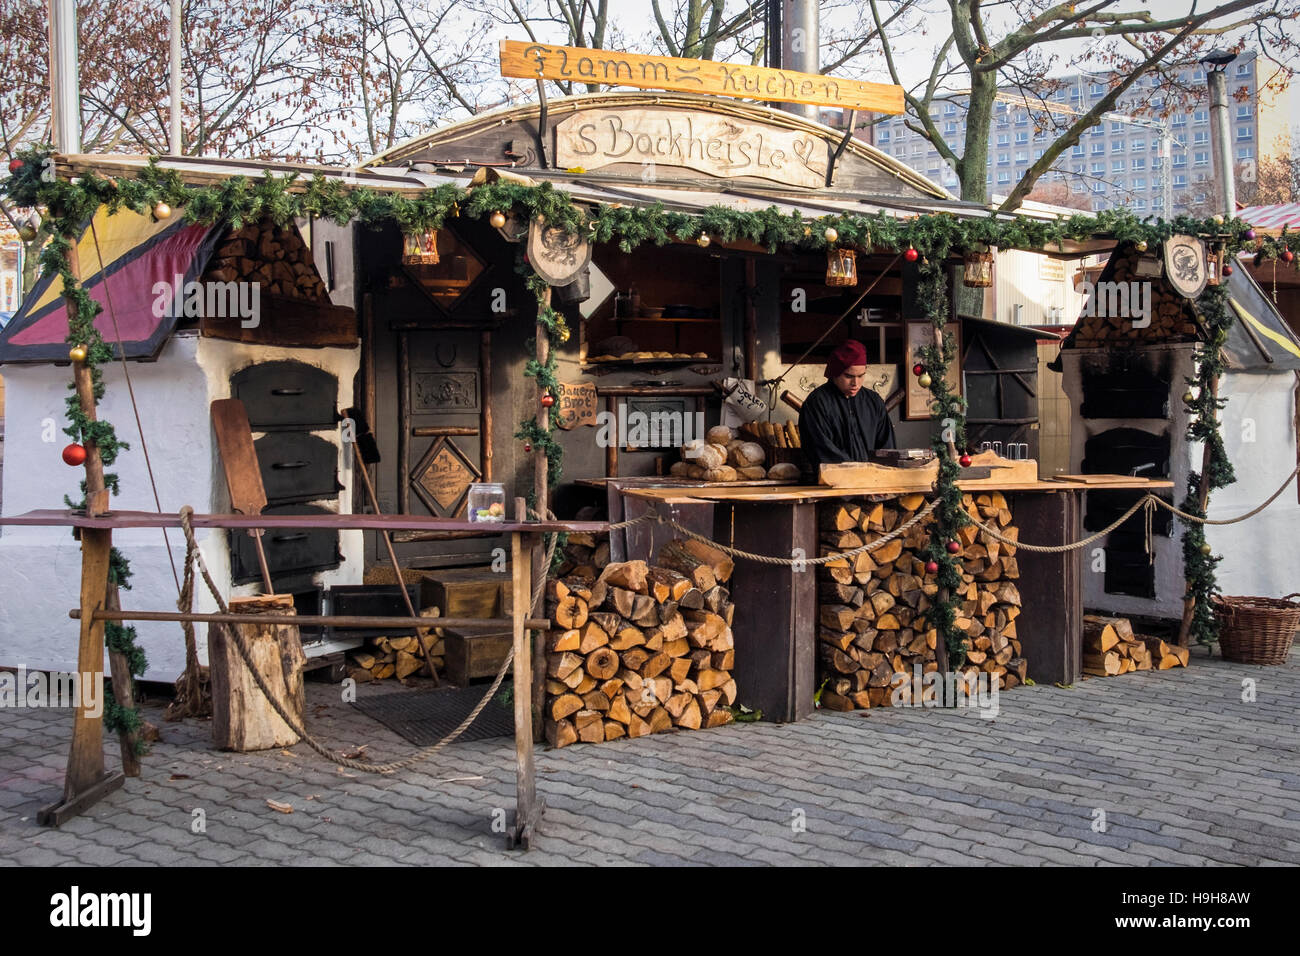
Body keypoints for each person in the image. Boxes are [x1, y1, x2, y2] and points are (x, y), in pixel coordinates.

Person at [798, 339, 896, 471]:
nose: (855, 383)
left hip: (873, 483)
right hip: (833, 485)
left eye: (861, 376)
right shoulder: (817, 403)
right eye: (849, 376)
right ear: (836, 371)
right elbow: (821, 449)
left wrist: (880, 476)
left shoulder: (873, 401)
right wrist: (856, 474)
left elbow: (886, 448)